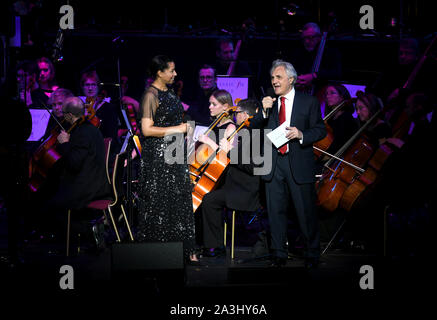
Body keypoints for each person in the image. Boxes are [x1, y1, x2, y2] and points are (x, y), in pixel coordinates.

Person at [250, 59, 326, 268]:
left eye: (279, 77)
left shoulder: (308, 102)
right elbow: (253, 129)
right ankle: (278, 253)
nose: (274, 81)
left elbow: (320, 130)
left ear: (291, 79)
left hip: (298, 162)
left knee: (305, 211)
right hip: (274, 164)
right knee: (275, 212)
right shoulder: (269, 102)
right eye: (273, 77)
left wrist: (301, 134)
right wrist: (263, 111)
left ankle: (312, 254)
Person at [136, 55, 198, 263]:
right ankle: (160, 252)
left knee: (178, 199)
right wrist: (179, 129)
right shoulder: (150, 95)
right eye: (171, 70)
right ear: (159, 72)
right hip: (159, 156)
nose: (175, 74)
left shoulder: (169, 92)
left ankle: (183, 250)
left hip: (174, 151)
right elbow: (146, 129)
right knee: (161, 201)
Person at [201, 99, 261, 257]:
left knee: (209, 200)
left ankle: (215, 246)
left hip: (245, 189)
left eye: (237, 113)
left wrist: (228, 151)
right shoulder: (241, 133)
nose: (235, 116)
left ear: (245, 115)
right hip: (232, 185)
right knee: (207, 197)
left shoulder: (254, 135)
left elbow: (253, 167)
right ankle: (214, 244)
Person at [288, 22, 342, 95]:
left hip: (323, 92)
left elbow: (337, 72)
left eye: (311, 37)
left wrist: (314, 76)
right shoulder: (298, 52)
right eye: (305, 38)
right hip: (302, 93)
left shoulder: (331, 51)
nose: (307, 41)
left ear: (319, 37)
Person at [79, 70, 119, 143]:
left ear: (98, 86)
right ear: (82, 87)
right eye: (87, 85)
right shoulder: (78, 106)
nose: (90, 88)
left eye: (93, 84)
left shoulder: (108, 108)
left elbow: (111, 136)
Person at [322, 84, 359, 154]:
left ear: (342, 97)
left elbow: (339, 144)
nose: (327, 96)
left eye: (332, 93)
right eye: (326, 93)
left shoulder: (347, 119)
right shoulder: (330, 119)